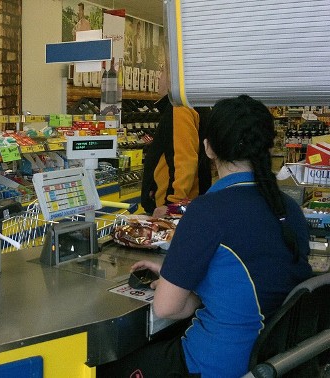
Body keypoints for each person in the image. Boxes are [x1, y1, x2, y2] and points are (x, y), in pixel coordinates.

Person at [99, 95, 313, 377]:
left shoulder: (207, 212)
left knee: (105, 368)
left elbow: (167, 307)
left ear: (208, 148)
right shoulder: (288, 208)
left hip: (216, 363)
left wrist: (177, 284)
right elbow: (255, 276)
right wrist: (182, 276)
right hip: (274, 361)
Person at [140, 63, 212, 217]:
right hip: (190, 204)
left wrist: (171, 205)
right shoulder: (195, 103)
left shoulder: (179, 108)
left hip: (174, 210)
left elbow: (184, 159)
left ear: (174, 76)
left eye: (163, 70)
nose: (159, 77)